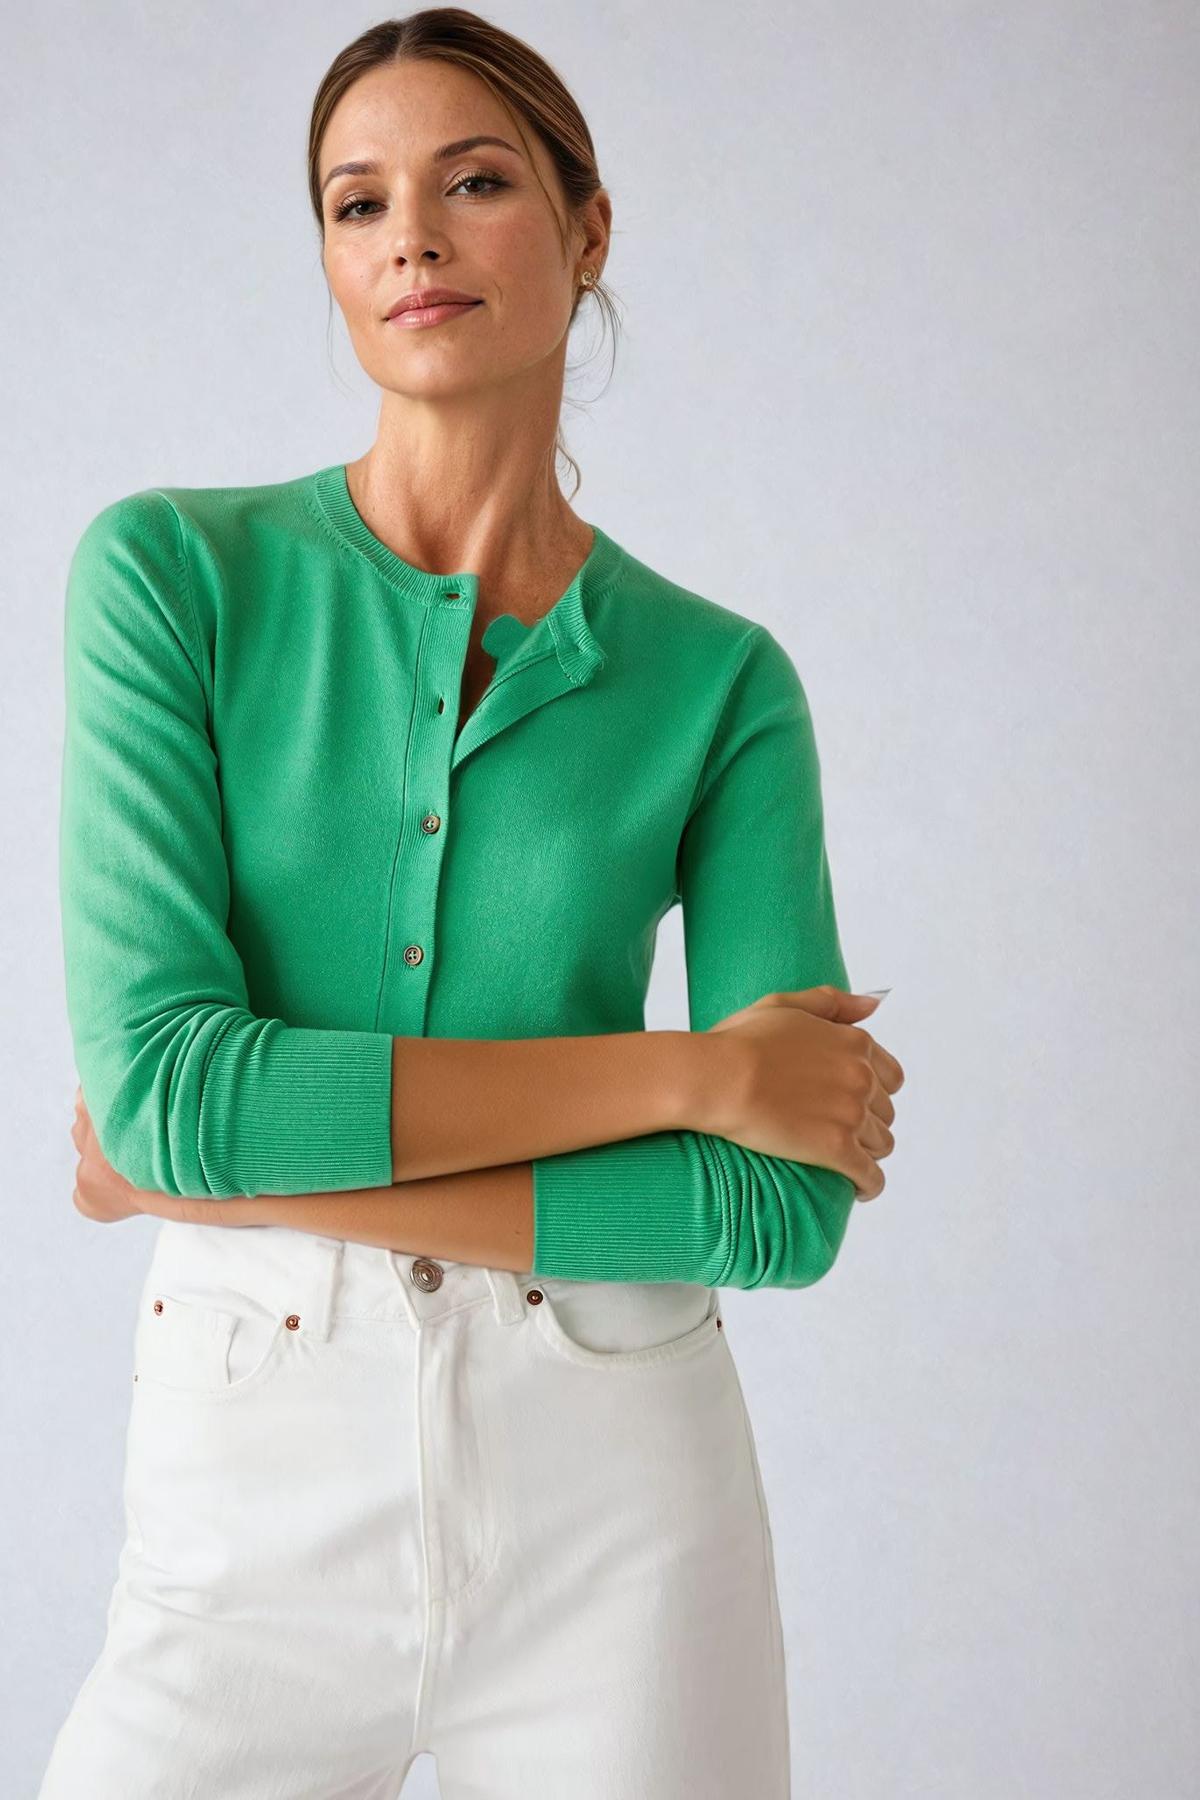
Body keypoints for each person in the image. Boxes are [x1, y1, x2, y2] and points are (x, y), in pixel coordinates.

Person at [39, 10, 903, 1797]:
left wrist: (218, 1169)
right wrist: (689, 1074)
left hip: (624, 1504)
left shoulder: (720, 684)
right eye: (358, 203)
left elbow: (778, 1208)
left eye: (476, 183)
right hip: (249, 1479)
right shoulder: (173, 578)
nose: (412, 239)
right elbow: (169, 1093)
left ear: (587, 231)